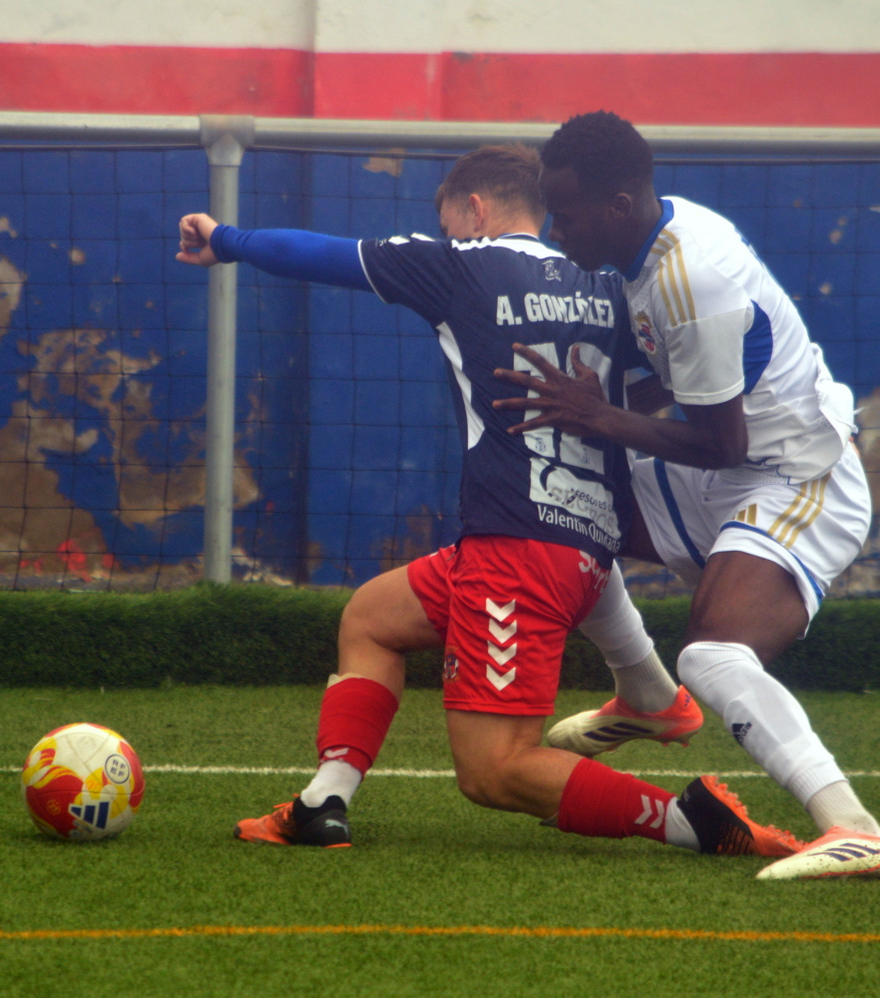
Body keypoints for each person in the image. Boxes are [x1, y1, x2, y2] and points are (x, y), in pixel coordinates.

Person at [175, 143, 801, 861]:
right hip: (585, 545)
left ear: (474, 209)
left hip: (518, 550)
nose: (444, 236)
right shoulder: (605, 285)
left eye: (447, 222)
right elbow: (672, 378)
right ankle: (324, 802)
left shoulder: (459, 264)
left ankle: (696, 820)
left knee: (495, 770)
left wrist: (224, 240)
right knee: (372, 620)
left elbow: (323, 254)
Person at [493, 112, 880, 880]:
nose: (557, 232)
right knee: (564, 512)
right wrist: (605, 403)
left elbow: (725, 444)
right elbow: (678, 383)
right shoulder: (651, 241)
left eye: (569, 214)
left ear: (618, 206)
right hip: (732, 470)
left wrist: (600, 413)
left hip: (797, 476)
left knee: (715, 656)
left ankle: (858, 830)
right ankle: (644, 696)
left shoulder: (694, 278)